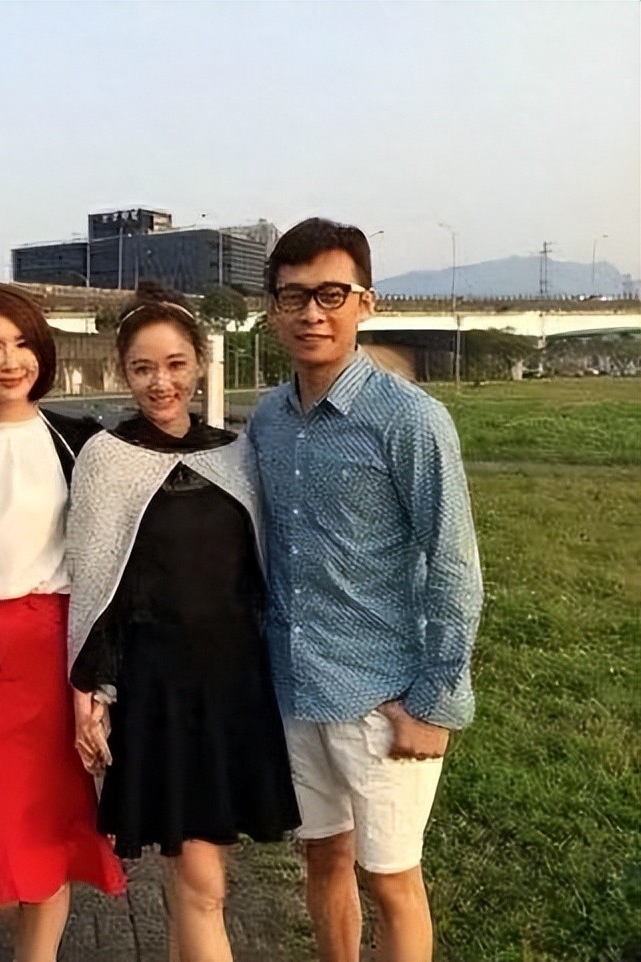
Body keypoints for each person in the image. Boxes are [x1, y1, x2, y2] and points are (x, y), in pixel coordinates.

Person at [247, 218, 483, 962]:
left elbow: (454, 564)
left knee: (392, 882)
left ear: (365, 302)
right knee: (323, 858)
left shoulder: (410, 419)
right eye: (294, 297)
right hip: (294, 689)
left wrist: (436, 702)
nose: (312, 314)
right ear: (274, 309)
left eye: (331, 294)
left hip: (383, 697)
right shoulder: (267, 419)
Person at [66, 284, 299, 962]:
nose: (160, 383)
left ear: (200, 361)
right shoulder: (106, 458)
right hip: (158, 693)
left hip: (235, 687)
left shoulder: (237, 453)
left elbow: (264, 571)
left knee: (201, 878)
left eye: (174, 364)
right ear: (123, 371)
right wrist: (93, 690)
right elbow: (95, 585)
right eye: (142, 368)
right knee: (203, 886)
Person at [0, 284, 125, 961]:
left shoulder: (78, 439)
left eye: (23, 344)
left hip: (50, 647)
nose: (11, 361)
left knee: (48, 826)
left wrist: (97, 676)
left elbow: (105, 560)